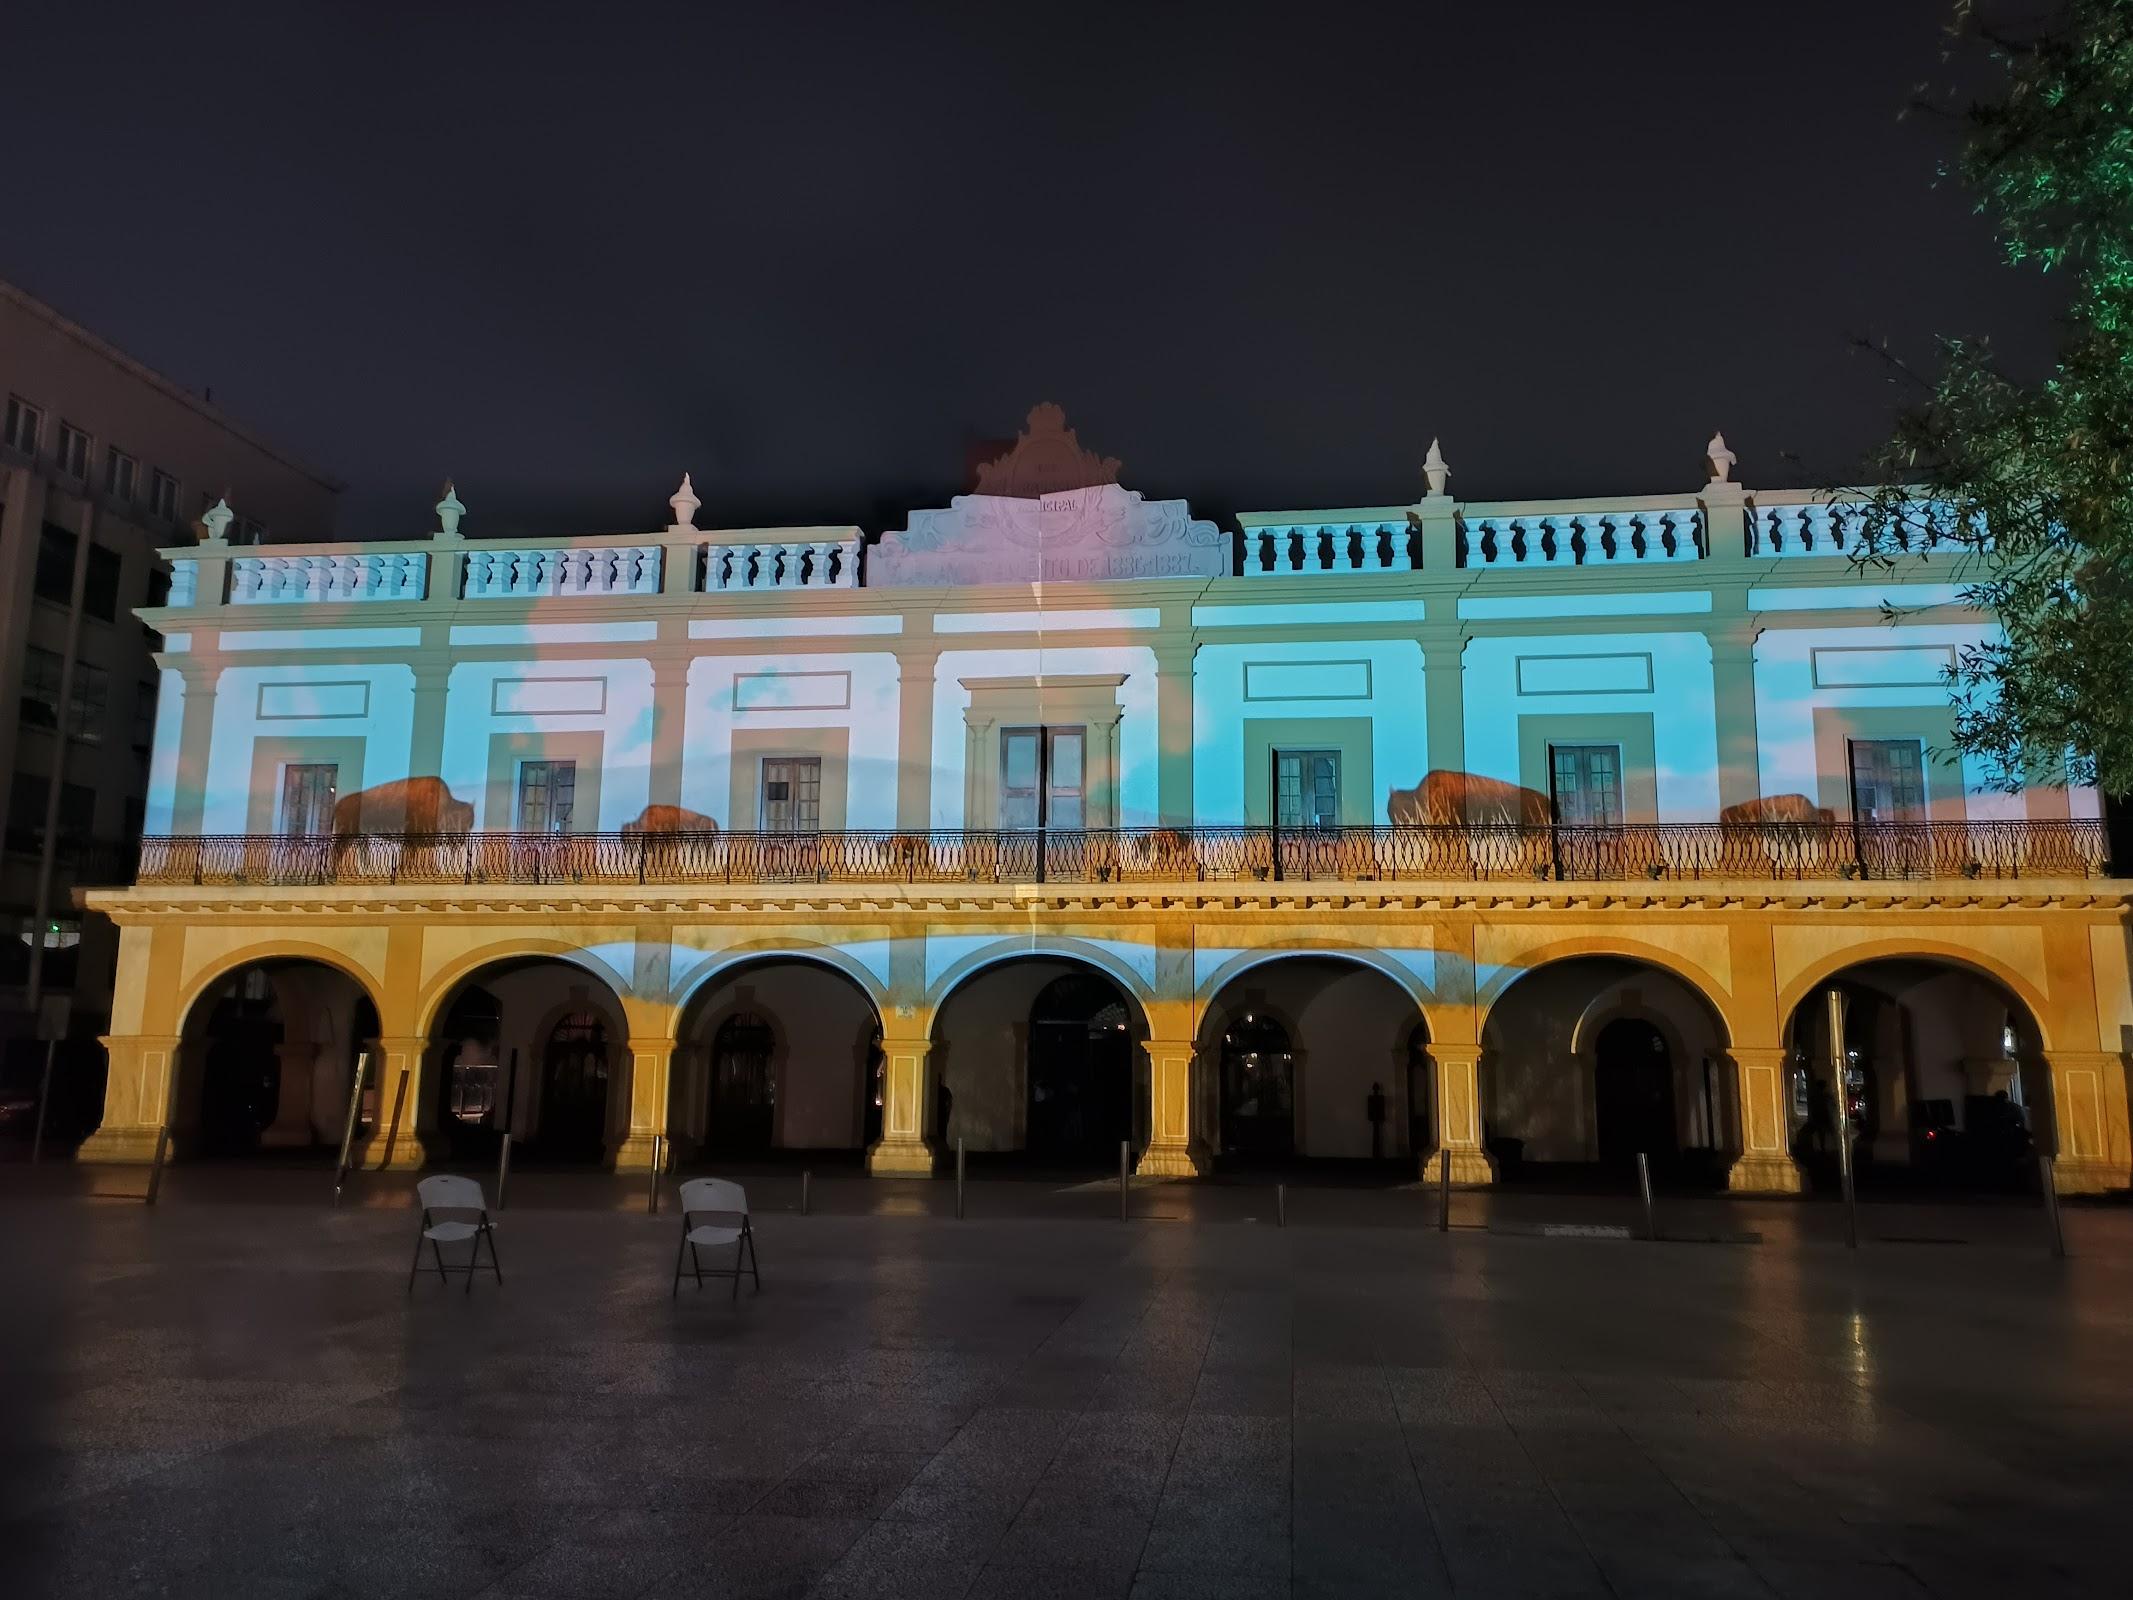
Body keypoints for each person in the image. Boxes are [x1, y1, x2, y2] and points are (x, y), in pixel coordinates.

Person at [1367, 1081, 1386, 1160]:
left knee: (1377, 1137)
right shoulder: (1371, 1098)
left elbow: (1381, 1109)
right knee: (1376, 1137)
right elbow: (1370, 1109)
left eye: (1376, 1088)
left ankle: (1376, 1155)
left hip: (1377, 1119)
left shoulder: (1380, 1098)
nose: (1375, 1089)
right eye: (1375, 1088)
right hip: (1375, 1119)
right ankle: (1375, 1155)